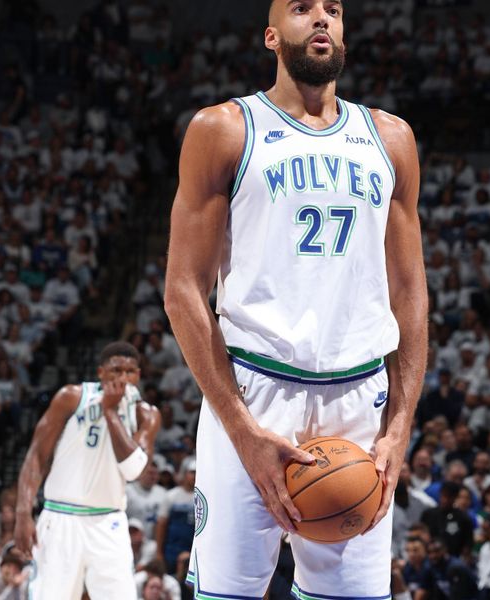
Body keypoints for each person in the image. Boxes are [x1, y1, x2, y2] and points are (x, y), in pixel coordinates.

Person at [164, 0, 427, 596]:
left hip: (360, 398)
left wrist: (400, 424)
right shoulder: (223, 129)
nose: (321, 19)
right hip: (255, 393)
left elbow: (411, 291)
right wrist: (240, 427)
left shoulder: (391, 138)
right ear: (271, 36)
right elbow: (183, 291)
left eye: (333, 9)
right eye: (302, 7)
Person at [13, 342, 160, 599]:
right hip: (60, 517)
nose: (122, 378)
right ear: (101, 372)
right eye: (116, 370)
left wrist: (110, 412)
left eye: (129, 371)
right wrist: (23, 511)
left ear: (138, 375)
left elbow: (134, 470)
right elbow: (37, 455)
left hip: (108, 521)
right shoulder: (72, 397)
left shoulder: (146, 414)